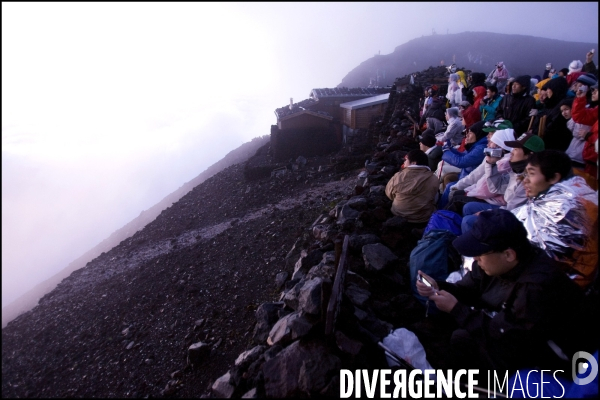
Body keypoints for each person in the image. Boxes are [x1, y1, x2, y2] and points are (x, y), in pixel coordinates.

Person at [416, 208, 592, 373]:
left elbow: (510, 340)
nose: (475, 258)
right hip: (514, 332)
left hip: (555, 355)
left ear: (508, 255)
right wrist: (439, 287)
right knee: (459, 336)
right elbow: (468, 290)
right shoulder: (492, 266)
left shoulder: (536, 287)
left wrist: (457, 310)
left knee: (462, 339)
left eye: (481, 253)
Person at [512, 150, 598, 288]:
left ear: (553, 178)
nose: (525, 180)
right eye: (526, 173)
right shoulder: (562, 190)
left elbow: (534, 251)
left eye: (531, 173)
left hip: (563, 286)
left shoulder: (566, 207)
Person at [461, 132, 545, 233]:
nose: (512, 152)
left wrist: (487, 213)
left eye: (516, 149)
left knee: (468, 221)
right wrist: (491, 164)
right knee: (468, 207)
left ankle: (481, 245)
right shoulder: (516, 171)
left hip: (513, 218)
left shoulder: (529, 180)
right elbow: (496, 187)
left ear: (529, 155)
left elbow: (513, 211)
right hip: (506, 209)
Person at [446, 123, 514, 215]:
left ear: (500, 144)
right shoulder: (493, 155)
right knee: (452, 188)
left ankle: (442, 220)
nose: (488, 137)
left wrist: (446, 153)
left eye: (491, 134)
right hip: (478, 189)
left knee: (455, 195)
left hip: (492, 200)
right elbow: (478, 178)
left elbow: (485, 184)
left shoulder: (503, 163)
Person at [437, 120, 488, 208]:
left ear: (479, 134)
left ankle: (441, 209)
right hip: (466, 174)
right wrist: (450, 149)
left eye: (470, 133)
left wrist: (446, 152)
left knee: (450, 186)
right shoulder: (478, 144)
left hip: (471, 179)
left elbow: (461, 161)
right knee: (448, 177)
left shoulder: (481, 148)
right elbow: (463, 154)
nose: (467, 135)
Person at [385, 149, 440, 225]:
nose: (404, 162)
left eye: (406, 160)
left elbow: (389, 194)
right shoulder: (433, 178)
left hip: (398, 215)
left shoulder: (398, 176)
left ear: (414, 162)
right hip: (423, 218)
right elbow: (434, 198)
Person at [572, 82, 599, 179]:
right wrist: (580, 98)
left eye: (596, 90)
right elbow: (580, 117)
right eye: (593, 90)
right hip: (591, 161)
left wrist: (589, 136)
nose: (593, 92)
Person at [561, 99, 591, 171]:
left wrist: (574, 119)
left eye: (566, 109)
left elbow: (579, 134)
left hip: (579, 157)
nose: (564, 113)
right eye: (562, 111)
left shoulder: (582, 120)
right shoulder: (572, 121)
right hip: (572, 155)